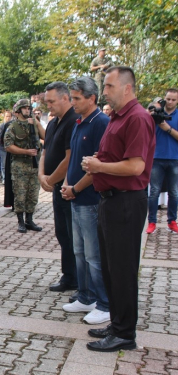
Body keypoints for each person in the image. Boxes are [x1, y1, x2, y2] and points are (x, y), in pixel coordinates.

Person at [81, 66, 155, 352]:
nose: (105, 92)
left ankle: (125, 334)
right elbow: (112, 155)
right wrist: (97, 163)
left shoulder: (137, 117)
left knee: (122, 271)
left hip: (126, 202)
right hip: (111, 201)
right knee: (112, 270)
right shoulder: (118, 117)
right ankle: (118, 322)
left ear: (127, 88)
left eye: (110, 86)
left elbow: (136, 166)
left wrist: (99, 166)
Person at [60, 77, 110, 325]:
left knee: (94, 255)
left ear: (92, 98)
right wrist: (68, 185)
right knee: (79, 251)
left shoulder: (101, 123)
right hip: (76, 198)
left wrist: (76, 189)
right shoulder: (79, 123)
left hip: (89, 199)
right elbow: (74, 159)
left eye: (77, 98)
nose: (73, 102)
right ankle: (86, 295)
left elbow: (98, 166)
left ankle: (104, 303)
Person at [39, 82, 78, 298]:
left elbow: (69, 157)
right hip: (56, 186)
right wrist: (41, 176)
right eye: (47, 102)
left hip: (69, 187)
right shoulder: (53, 123)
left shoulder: (73, 121)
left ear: (65, 98)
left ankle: (78, 278)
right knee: (62, 232)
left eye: (52, 101)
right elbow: (46, 152)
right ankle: (69, 275)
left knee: (74, 236)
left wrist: (52, 179)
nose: (49, 106)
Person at [4, 99, 45, 233]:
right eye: (25, 108)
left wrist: (37, 123)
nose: (28, 110)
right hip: (20, 165)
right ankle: (21, 221)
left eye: (29, 108)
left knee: (33, 194)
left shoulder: (34, 123)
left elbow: (46, 136)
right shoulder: (13, 126)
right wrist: (25, 151)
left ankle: (29, 219)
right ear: (18, 111)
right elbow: (8, 146)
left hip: (34, 165)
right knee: (20, 195)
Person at [146, 88, 178, 234]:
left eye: (173, 99)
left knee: (174, 192)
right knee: (154, 192)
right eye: (168, 99)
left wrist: (167, 128)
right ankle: (151, 221)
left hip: (174, 158)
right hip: (156, 157)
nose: (170, 102)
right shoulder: (156, 113)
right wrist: (151, 112)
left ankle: (172, 220)